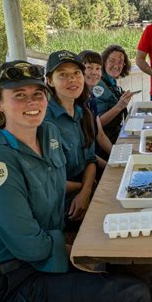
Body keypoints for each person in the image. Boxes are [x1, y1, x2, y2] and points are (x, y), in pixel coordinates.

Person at [0, 60, 152, 302]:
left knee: (128, 272)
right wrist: (78, 252)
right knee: (133, 296)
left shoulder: (49, 135)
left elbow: (65, 175)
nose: (31, 102)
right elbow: (29, 246)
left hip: (46, 260)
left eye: (36, 94)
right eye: (19, 96)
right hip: (14, 281)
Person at [43, 50, 97, 226]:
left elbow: (90, 159)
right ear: (49, 81)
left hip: (85, 189)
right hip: (61, 207)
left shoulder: (81, 112)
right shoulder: (44, 121)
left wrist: (86, 191)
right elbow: (45, 180)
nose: (72, 79)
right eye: (63, 75)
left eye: (76, 73)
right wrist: (84, 190)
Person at [78, 49, 113, 170]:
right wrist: (109, 167)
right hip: (85, 166)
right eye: (89, 67)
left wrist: (116, 157)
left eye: (98, 68)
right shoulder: (75, 103)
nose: (94, 72)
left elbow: (100, 135)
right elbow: (83, 151)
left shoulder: (90, 98)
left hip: (96, 158)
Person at [95, 44, 134, 145]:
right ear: (103, 62)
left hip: (117, 134)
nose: (116, 66)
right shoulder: (98, 85)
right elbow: (98, 123)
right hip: (105, 143)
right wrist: (119, 106)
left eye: (120, 62)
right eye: (112, 61)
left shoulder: (111, 82)